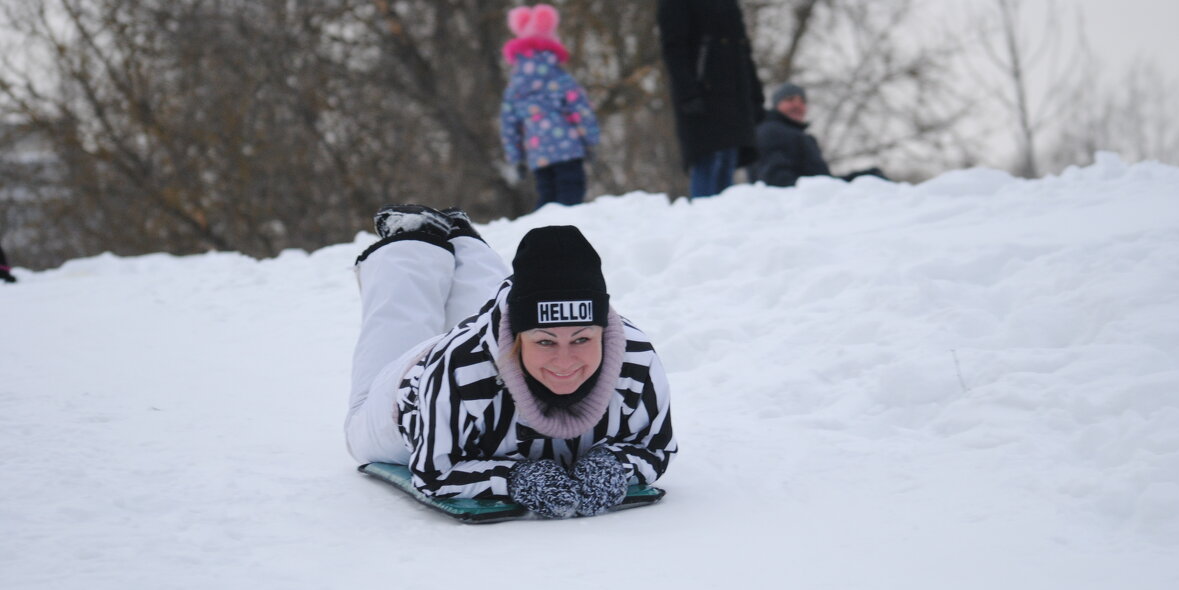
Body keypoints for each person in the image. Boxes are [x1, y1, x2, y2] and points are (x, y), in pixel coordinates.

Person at [345, 204, 676, 519]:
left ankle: (463, 240)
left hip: (494, 357)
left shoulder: (636, 360)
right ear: (516, 338)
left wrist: (617, 467)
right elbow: (435, 473)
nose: (565, 361)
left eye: (582, 339)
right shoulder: (459, 370)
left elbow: (655, 447)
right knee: (400, 323)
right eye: (545, 341)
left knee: (519, 306)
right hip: (414, 390)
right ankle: (410, 245)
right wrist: (514, 477)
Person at [657, 0, 765, 199]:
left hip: (734, 96)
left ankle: (721, 221)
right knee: (709, 160)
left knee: (727, 159)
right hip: (703, 96)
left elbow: (743, 51)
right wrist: (688, 93)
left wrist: (756, 97)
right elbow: (673, 48)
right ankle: (705, 222)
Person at [500, 4, 601, 209]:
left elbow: (509, 124)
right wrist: (590, 139)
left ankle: (545, 231)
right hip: (568, 148)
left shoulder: (515, 86)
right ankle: (571, 229)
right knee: (571, 191)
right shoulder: (560, 77)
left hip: (538, 152)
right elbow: (579, 109)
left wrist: (516, 157)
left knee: (547, 194)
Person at [749, 83, 887, 187]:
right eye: (790, 99)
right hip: (797, 207)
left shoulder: (796, 135)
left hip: (813, 199)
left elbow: (821, 179)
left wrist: (858, 178)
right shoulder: (771, 132)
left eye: (802, 101)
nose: (797, 105)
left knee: (872, 178)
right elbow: (777, 181)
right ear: (776, 105)